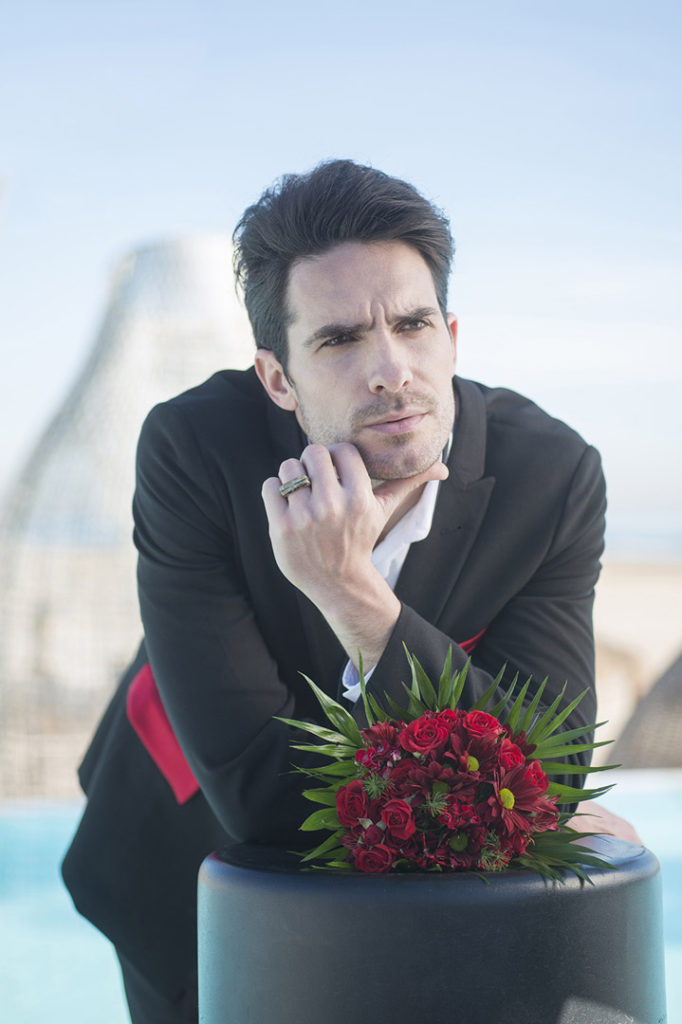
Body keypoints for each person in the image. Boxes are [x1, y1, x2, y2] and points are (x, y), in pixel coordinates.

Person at [62, 159, 608, 1023]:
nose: (391, 370)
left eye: (413, 325)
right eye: (340, 340)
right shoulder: (192, 452)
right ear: (278, 378)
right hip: (195, 861)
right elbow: (261, 798)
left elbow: (550, 778)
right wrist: (484, 792)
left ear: (452, 337)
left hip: (440, 918)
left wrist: (355, 596)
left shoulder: (552, 477)